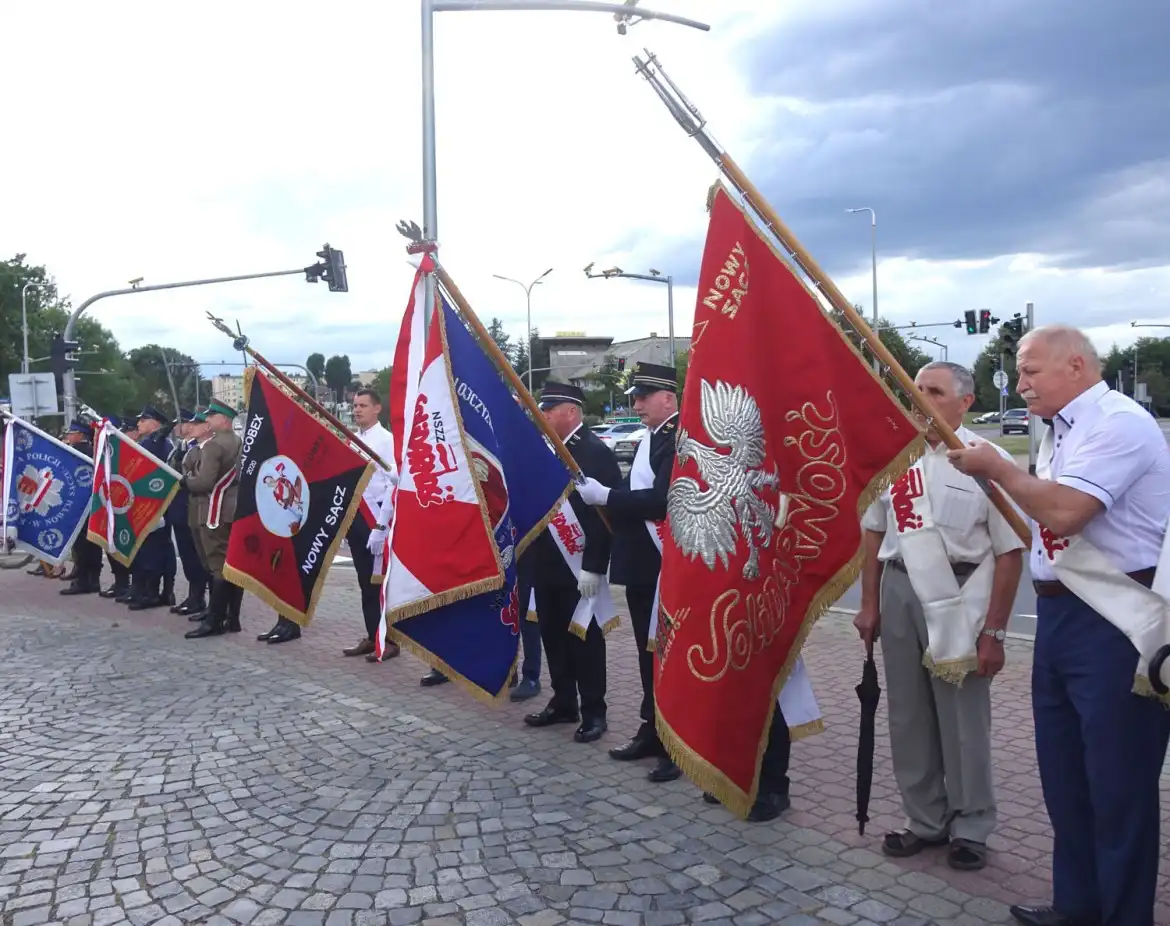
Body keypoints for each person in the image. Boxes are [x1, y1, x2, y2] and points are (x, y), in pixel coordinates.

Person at [948, 326, 1170, 926]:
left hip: (1114, 620)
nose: (1019, 385)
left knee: (1118, 785)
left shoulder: (1117, 423)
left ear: (1075, 366)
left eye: (1029, 371)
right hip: (1061, 612)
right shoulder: (1061, 429)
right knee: (1067, 779)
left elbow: (1068, 510)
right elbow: (1046, 516)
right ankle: (1078, 904)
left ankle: (1124, 916)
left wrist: (997, 468)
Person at [855, 361, 1025, 871]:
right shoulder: (895, 457)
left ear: (965, 401)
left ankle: (972, 826)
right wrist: (868, 605)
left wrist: (994, 630)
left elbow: (1012, 550)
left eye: (933, 391)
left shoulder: (985, 460)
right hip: (901, 588)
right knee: (908, 716)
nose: (921, 400)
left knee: (962, 721)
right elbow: (873, 533)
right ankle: (924, 821)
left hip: (961, 595)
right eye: (916, 390)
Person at [577, 362, 681, 782]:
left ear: (668, 398)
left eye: (643, 396)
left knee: (668, 658)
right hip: (642, 567)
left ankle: (675, 744)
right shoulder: (651, 437)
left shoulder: (677, 440)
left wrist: (608, 497)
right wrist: (610, 495)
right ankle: (652, 729)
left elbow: (661, 500)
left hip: (665, 566)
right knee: (647, 654)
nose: (636, 403)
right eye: (635, 396)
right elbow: (637, 492)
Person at [523, 382, 621, 743]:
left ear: (572, 411)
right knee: (552, 635)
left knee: (585, 640)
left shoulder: (595, 451)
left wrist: (594, 565)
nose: (543, 414)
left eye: (550, 408)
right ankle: (564, 700)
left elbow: (603, 516)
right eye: (542, 408)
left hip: (579, 567)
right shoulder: (548, 451)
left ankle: (595, 711)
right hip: (546, 562)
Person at [183, 401, 244, 639]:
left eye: (212, 416)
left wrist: (185, 480)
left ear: (225, 419)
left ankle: (214, 620)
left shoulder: (214, 445)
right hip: (231, 509)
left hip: (213, 510)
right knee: (232, 564)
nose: (207, 420)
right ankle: (232, 617)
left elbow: (203, 483)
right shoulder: (237, 441)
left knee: (217, 566)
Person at [127, 406, 178, 610]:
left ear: (155, 423)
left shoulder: (158, 443)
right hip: (149, 502)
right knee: (156, 548)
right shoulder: (151, 442)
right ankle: (157, 591)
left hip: (155, 504)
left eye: (143, 420)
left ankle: (153, 592)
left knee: (153, 550)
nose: (138, 423)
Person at [167, 409, 210, 618]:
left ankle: (201, 598)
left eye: (182, 423)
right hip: (179, 509)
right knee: (187, 556)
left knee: (200, 557)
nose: (178, 427)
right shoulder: (181, 446)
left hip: (192, 508)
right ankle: (194, 595)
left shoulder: (202, 449)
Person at [59, 420, 104, 596]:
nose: (69, 436)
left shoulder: (76, 452)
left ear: (80, 435)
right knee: (93, 544)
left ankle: (83, 580)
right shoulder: (92, 450)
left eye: (72, 433)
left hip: (79, 505)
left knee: (82, 545)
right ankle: (94, 580)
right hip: (92, 505)